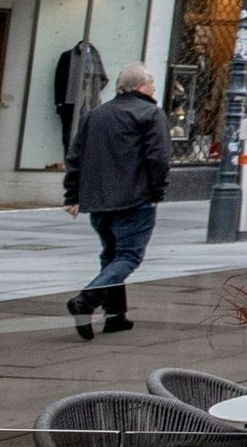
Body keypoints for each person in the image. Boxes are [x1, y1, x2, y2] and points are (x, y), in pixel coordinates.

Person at [61, 65, 171, 338]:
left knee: (111, 256)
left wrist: (73, 195)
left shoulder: (96, 114)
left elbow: (75, 156)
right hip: (134, 199)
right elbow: (158, 158)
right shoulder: (150, 114)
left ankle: (115, 315)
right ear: (139, 87)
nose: (154, 89)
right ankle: (85, 301)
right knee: (128, 256)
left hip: (98, 202)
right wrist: (157, 193)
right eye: (152, 83)